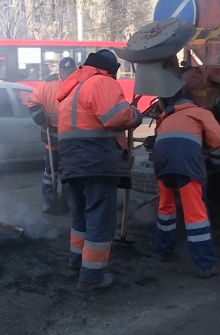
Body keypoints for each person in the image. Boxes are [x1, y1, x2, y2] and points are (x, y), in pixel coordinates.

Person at [56, 50, 142, 292]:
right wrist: (135, 114)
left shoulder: (73, 86)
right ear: (111, 69)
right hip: (96, 163)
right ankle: (92, 278)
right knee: (100, 220)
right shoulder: (102, 82)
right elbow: (116, 117)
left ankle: (77, 262)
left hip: (72, 164)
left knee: (80, 217)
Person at [153, 84, 220, 278]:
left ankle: (165, 252)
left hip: (161, 162)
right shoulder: (200, 113)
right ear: (191, 101)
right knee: (195, 214)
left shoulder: (165, 117)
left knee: (166, 208)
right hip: (186, 163)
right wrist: (213, 165)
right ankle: (204, 265)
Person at [27, 57, 76, 215]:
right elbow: (32, 103)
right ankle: (49, 201)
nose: (70, 75)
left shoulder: (79, 83)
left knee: (70, 172)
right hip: (52, 138)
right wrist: (40, 119)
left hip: (71, 139)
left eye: (72, 72)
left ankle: (70, 202)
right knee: (50, 173)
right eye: (67, 72)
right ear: (60, 71)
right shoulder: (48, 85)